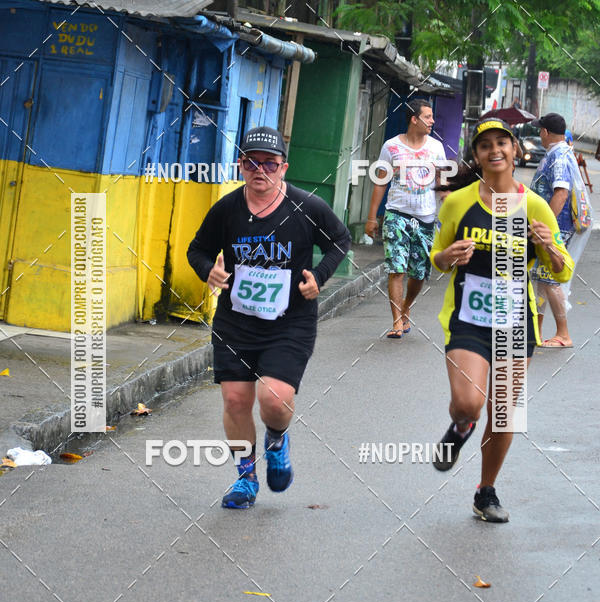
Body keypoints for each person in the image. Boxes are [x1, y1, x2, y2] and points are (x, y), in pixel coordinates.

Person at [187, 126, 351, 510]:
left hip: (289, 321)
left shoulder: (307, 207)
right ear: (241, 165)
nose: (260, 170)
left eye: (270, 164)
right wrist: (208, 271)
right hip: (236, 322)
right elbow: (197, 250)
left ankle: (277, 440)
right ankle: (245, 478)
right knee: (235, 400)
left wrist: (319, 278)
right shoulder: (227, 209)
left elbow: (340, 240)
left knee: (274, 400)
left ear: (284, 167)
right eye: (251, 163)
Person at [431, 118, 573, 523]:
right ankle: (460, 428)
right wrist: (448, 257)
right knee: (468, 402)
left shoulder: (534, 206)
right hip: (469, 318)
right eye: (485, 145)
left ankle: (485, 491)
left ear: (515, 150)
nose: (495, 150)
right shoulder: (459, 202)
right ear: (476, 156)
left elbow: (561, 270)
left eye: (502, 143)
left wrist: (548, 247)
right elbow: (437, 257)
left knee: (506, 410)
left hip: (515, 320)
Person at [365, 99, 447, 338]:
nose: (432, 121)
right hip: (396, 214)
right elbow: (381, 181)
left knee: (419, 274)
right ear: (414, 119)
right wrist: (372, 218)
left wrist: (452, 212)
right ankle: (396, 321)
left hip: (426, 218)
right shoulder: (391, 147)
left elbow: (443, 184)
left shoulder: (436, 148)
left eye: (432, 117)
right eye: (428, 116)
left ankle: (406, 305)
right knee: (396, 268)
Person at [529, 113, 579, 348]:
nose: (539, 134)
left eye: (540, 130)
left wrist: (546, 227)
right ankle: (536, 331)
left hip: (555, 229)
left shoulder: (558, 155)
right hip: (552, 228)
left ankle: (564, 334)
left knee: (550, 280)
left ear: (546, 132)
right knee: (542, 278)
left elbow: (561, 192)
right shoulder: (559, 152)